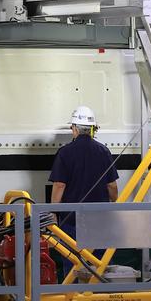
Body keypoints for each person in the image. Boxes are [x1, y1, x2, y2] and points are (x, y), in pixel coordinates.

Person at [49, 106, 118, 270]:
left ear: (74, 129)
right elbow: (112, 185)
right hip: (99, 219)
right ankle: (96, 294)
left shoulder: (65, 153)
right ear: (92, 129)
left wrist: (53, 210)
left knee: (72, 262)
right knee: (99, 264)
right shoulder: (103, 151)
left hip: (71, 220)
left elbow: (59, 185)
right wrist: (115, 203)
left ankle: (72, 294)